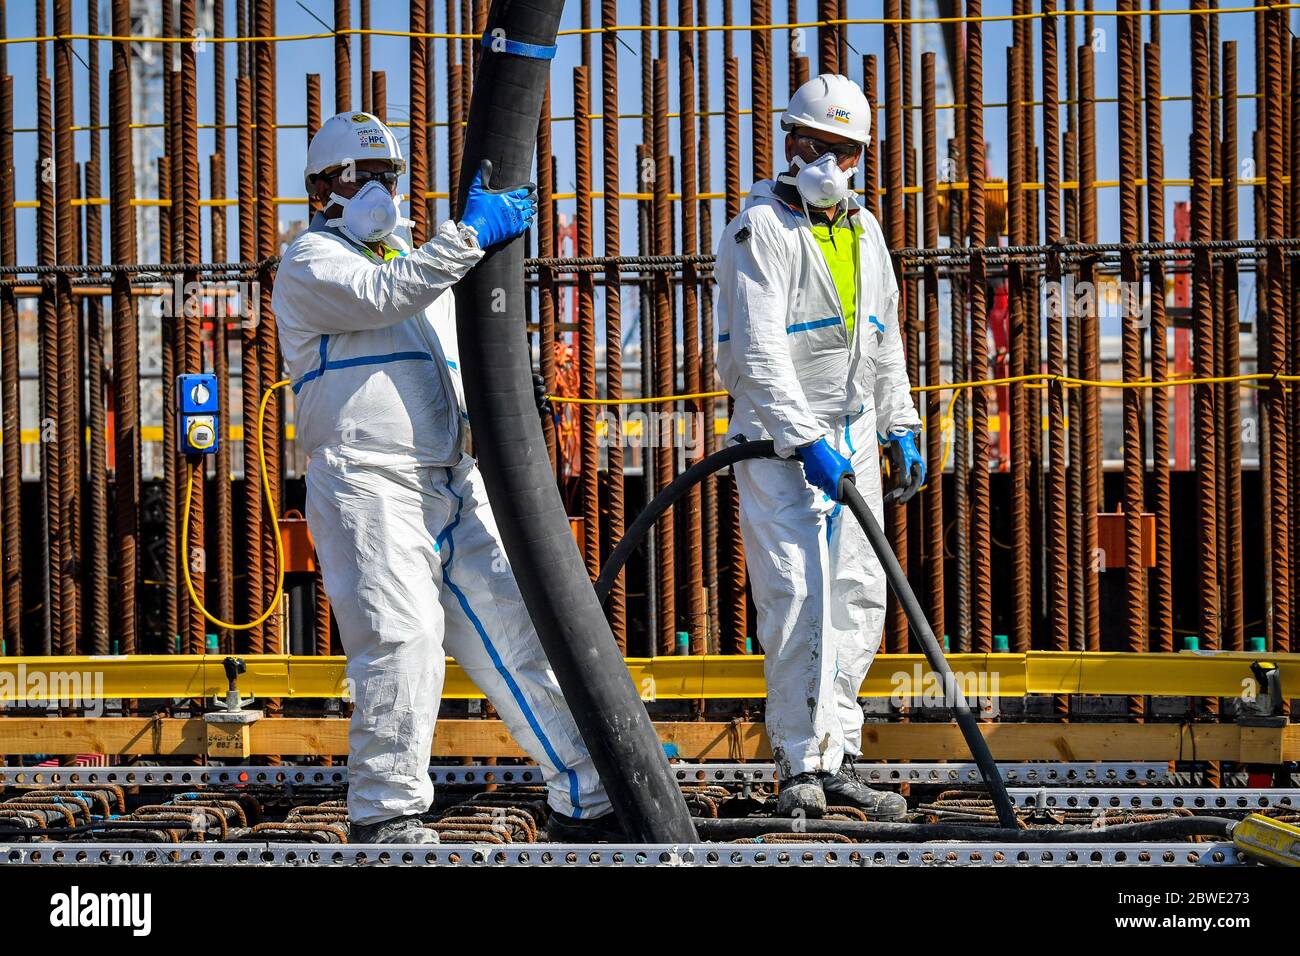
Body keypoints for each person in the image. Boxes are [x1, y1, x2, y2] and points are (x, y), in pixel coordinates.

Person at [272, 111, 616, 843]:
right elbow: (382, 296)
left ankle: (590, 793)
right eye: (357, 176)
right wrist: (466, 237)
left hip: (451, 479)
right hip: (369, 482)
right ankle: (387, 814)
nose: (375, 189)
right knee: (402, 639)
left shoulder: (413, 260)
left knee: (520, 633)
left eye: (386, 175)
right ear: (320, 188)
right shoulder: (310, 261)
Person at [715, 75, 926, 819]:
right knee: (797, 595)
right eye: (819, 145)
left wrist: (900, 420)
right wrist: (804, 440)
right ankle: (799, 761)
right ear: (789, 142)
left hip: (853, 435)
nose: (830, 162)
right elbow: (761, 354)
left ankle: (838, 755)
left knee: (858, 596)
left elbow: (885, 335)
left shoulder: (864, 230)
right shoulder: (758, 229)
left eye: (846, 150)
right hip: (781, 441)